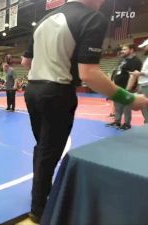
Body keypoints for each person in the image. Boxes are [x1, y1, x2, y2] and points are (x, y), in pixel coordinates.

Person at [21, 0, 148, 222]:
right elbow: (88, 74)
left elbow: (25, 62)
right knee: (48, 152)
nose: (103, 2)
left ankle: (39, 197)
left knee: (42, 148)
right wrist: (128, 98)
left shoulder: (44, 19)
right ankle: (39, 209)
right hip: (56, 92)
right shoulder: (91, 18)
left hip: (33, 90)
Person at [106, 44, 142, 130]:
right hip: (118, 86)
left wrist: (128, 89)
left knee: (126, 106)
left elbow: (133, 75)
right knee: (117, 105)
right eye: (122, 49)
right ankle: (117, 121)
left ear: (132, 50)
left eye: (125, 49)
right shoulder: (124, 60)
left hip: (127, 87)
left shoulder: (136, 61)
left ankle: (127, 123)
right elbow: (118, 72)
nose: (122, 51)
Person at [129, 39, 148, 124]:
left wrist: (140, 73)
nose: (144, 48)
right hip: (143, 85)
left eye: (145, 46)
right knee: (144, 107)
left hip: (146, 85)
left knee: (145, 106)